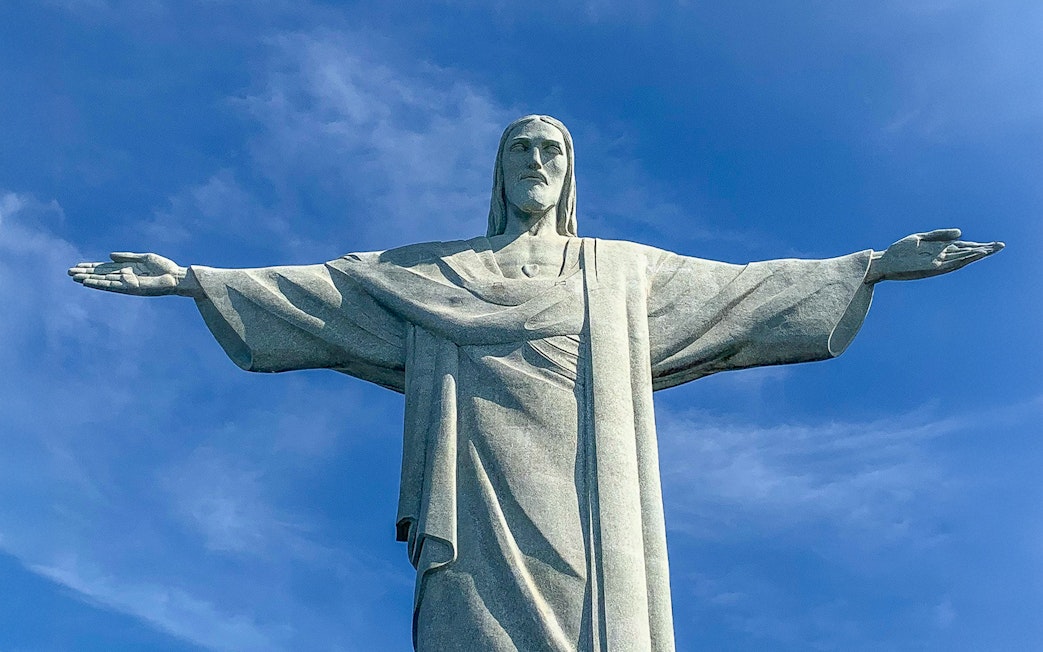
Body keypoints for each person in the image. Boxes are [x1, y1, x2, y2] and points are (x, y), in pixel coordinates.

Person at [69, 115, 1003, 652]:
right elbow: (326, 289)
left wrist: (869, 266)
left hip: (591, 496)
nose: (536, 164)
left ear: (569, 174)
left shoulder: (619, 273)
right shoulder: (429, 271)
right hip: (472, 493)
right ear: (498, 170)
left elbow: (739, 289)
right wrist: (195, 278)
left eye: (551, 151)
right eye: (519, 149)